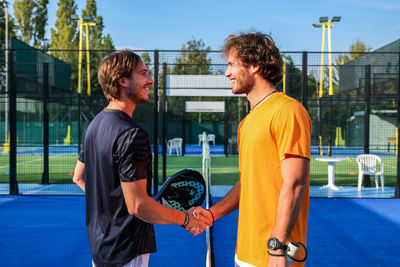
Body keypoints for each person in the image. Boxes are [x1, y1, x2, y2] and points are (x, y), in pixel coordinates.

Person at [73, 50, 211, 267]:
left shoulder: (94, 125)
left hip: (101, 246)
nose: (150, 80)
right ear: (123, 81)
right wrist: (185, 219)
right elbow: (138, 206)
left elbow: (79, 177)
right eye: (143, 74)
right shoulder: (131, 134)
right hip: (126, 248)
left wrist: (113, 205)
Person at [195, 32, 312, 266]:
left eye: (231, 65)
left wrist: (277, 247)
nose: (227, 73)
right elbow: (247, 183)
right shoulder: (246, 122)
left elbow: (295, 183)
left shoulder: (288, 111)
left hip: (274, 254)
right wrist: (213, 213)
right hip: (244, 253)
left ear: (255, 65)